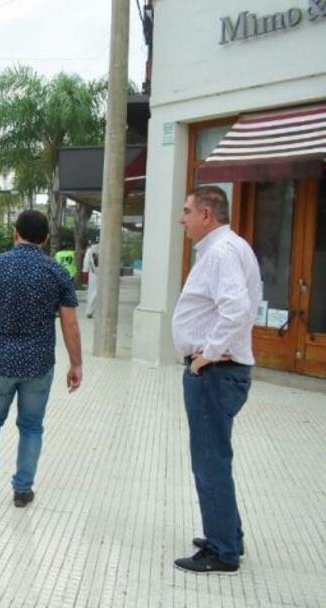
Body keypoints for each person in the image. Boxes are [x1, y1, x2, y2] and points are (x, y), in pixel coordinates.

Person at [0, 210, 82, 512]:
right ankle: (22, 490)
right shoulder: (57, 272)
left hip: (1, 361)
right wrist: (76, 363)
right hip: (38, 364)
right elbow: (70, 324)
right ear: (45, 238)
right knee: (31, 427)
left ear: (15, 233)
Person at [171, 186, 260, 575]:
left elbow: (236, 308)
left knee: (209, 461)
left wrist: (206, 353)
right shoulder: (229, 247)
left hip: (214, 373)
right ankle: (228, 536)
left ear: (206, 214)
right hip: (219, 371)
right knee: (215, 458)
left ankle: (223, 552)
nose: (182, 218)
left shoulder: (221, 252)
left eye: (187, 210)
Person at [82, 239, 99, 318]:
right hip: (103, 274)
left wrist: (85, 278)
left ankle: (90, 311)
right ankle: (97, 310)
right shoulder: (105, 249)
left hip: (93, 274)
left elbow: (86, 263)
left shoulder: (90, 250)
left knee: (92, 293)